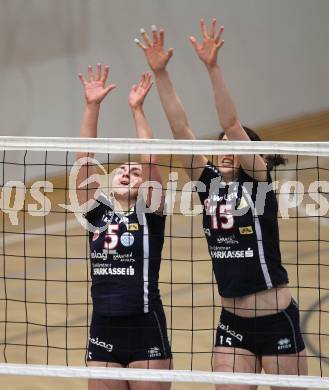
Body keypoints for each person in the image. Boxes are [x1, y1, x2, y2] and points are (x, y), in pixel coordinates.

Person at [135, 19, 307, 389]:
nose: (225, 150)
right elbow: (181, 131)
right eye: (222, 146)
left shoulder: (260, 186)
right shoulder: (207, 184)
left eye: (234, 147)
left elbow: (230, 123)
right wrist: (161, 74)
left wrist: (212, 68)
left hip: (277, 319)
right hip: (233, 324)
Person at [76, 64, 172, 390]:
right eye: (120, 169)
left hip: (145, 326)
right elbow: (83, 161)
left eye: (134, 171)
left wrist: (137, 110)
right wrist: (92, 106)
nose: (127, 172)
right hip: (103, 328)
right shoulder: (97, 213)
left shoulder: (151, 213)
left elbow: (150, 161)